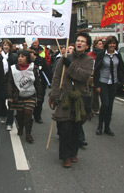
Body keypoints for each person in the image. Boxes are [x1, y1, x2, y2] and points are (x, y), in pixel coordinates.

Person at [49, 32, 93, 168]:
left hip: (80, 99)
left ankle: (74, 152)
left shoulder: (88, 61)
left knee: (76, 128)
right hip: (64, 98)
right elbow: (56, 78)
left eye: (83, 42)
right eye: (78, 41)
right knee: (64, 128)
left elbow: (83, 76)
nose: (79, 43)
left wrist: (70, 66)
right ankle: (65, 156)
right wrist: (54, 95)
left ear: (87, 46)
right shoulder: (65, 58)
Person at [94, 36, 124, 136]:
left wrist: (123, 83)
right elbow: (96, 70)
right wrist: (97, 85)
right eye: (110, 43)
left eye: (114, 43)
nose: (112, 45)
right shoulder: (101, 55)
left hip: (113, 83)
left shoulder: (118, 55)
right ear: (107, 44)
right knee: (105, 104)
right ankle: (100, 126)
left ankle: (107, 127)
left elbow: (121, 69)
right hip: (103, 82)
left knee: (110, 106)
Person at [7, 49, 44, 143]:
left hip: (30, 95)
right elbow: (10, 83)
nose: (20, 58)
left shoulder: (33, 68)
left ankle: (28, 133)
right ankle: (20, 127)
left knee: (28, 112)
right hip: (18, 96)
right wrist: (10, 95)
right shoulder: (13, 68)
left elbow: (37, 83)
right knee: (19, 115)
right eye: (19, 56)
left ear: (27, 58)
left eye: (22, 57)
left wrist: (40, 95)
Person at [0, 39, 18, 130]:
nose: (6, 47)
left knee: (11, 102)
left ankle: (9, 122)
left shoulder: (14, 57)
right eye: (4, 45)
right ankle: (3, 114)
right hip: (0, 82)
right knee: (1, 100)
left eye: (7, 45)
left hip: (11, 82)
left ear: (10, 47)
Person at [29, 49, 51, 124]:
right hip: (30, 84)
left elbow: (47, 71)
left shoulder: (41, 60)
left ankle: (37, 116)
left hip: (40, 83)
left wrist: (49, 82)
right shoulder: (27, 61)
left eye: (31, 54)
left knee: (40, 100)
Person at [87, 39, 104, 114]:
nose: (101, 45)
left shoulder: (104, 54)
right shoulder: (90, 54)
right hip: (93, 76)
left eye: (102, 44)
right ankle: (95, 108)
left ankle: (103, 108)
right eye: (99, 44)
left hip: (102, 76)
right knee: (94, 93)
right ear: (95, 45)